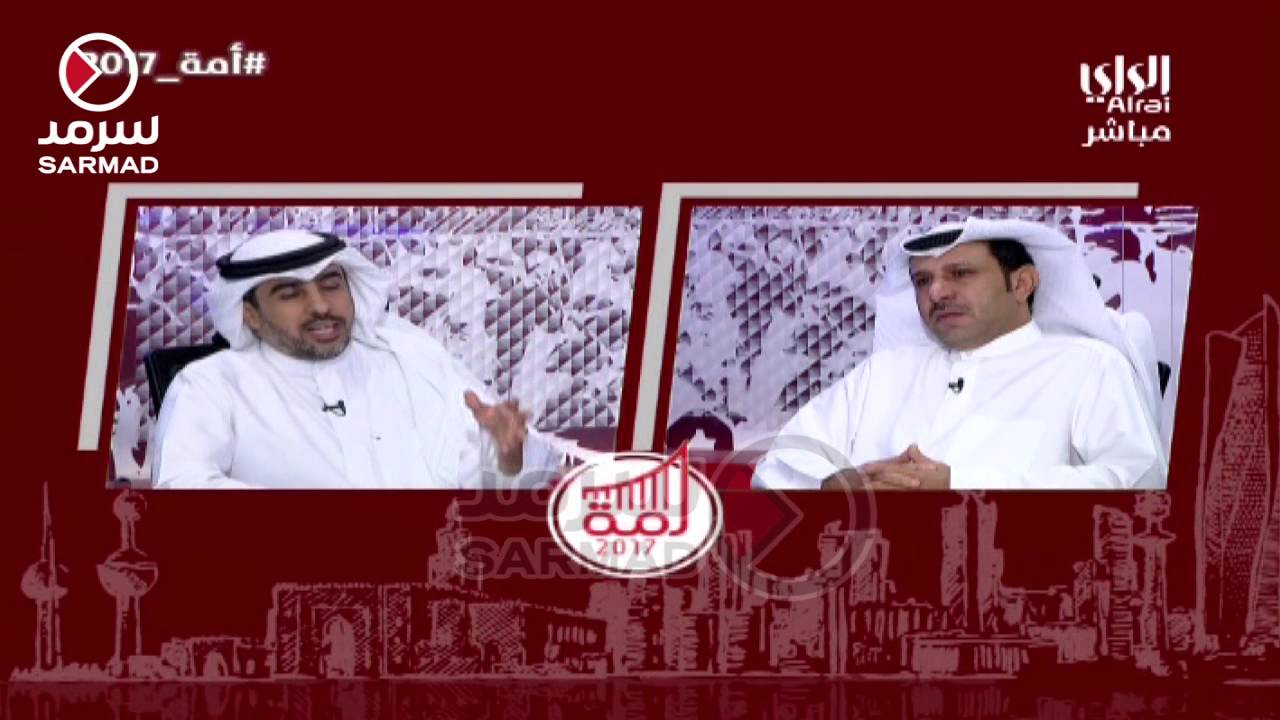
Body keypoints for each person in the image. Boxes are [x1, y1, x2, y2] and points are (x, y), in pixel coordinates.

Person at [752, 217, 1166, 491]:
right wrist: (837, 484)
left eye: (961, 273)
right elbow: (781, 464)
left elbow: (1138, 481)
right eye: (922, 280)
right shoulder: (885, 372)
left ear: (1022, 283)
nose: (936, 292)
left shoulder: (1088, 366)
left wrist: (962, 484)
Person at [150, 228, 562, 489]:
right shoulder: (210, 384)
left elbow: (505, 482)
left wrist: (508, 456)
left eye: (331, 285)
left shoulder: (409, 359)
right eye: (290, 294)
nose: (320, 306)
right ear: (250, 315)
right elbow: (180, 485)